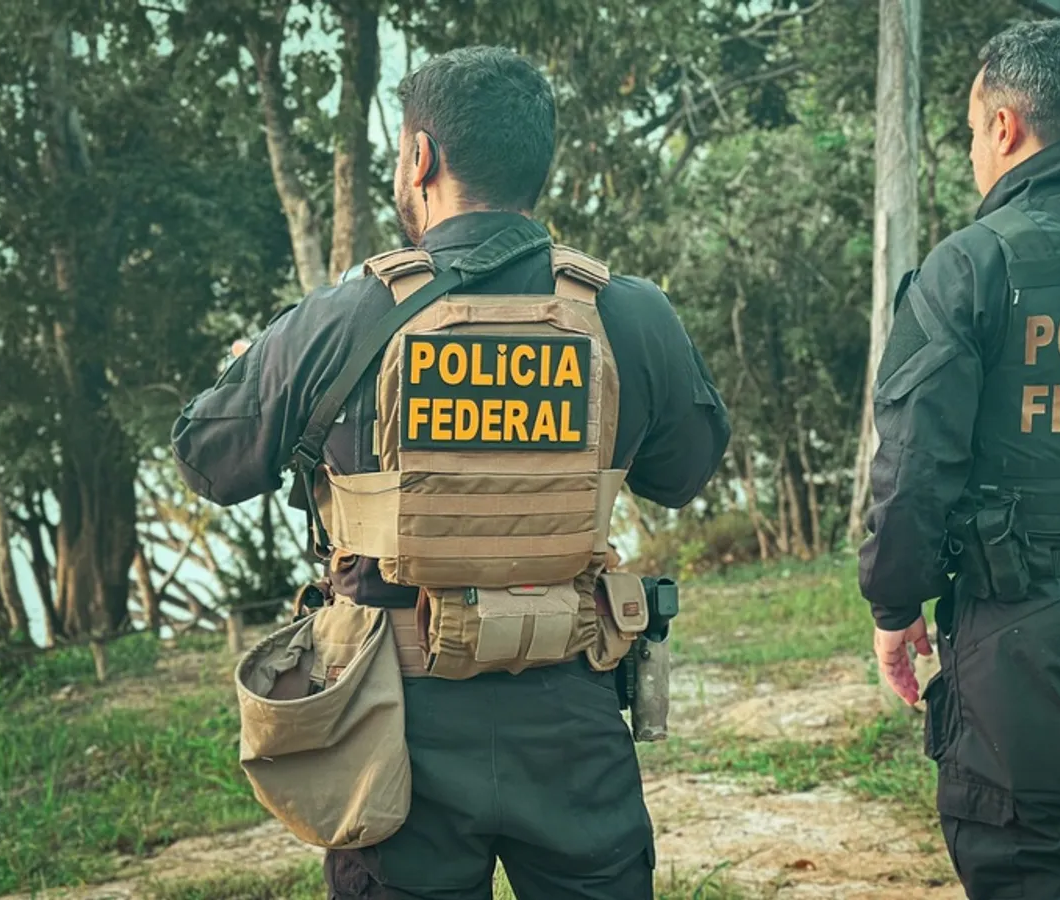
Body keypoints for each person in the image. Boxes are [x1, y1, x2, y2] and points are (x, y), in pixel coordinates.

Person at [170, 45, 730, 900]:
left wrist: (254, 368)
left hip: (393, 728)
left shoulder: (342, 317)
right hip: (572, 716)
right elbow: (684, 471)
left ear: (420, 158)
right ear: (537, 164)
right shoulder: (628, 313)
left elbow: (207, 459)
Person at [858, 19, 1060, 900]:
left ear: (1006, 126)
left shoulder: (971, 267)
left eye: (972, 131)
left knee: (1031, 875)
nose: (974, 153)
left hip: (1028, 646)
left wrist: (896, 602)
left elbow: (914, 468)